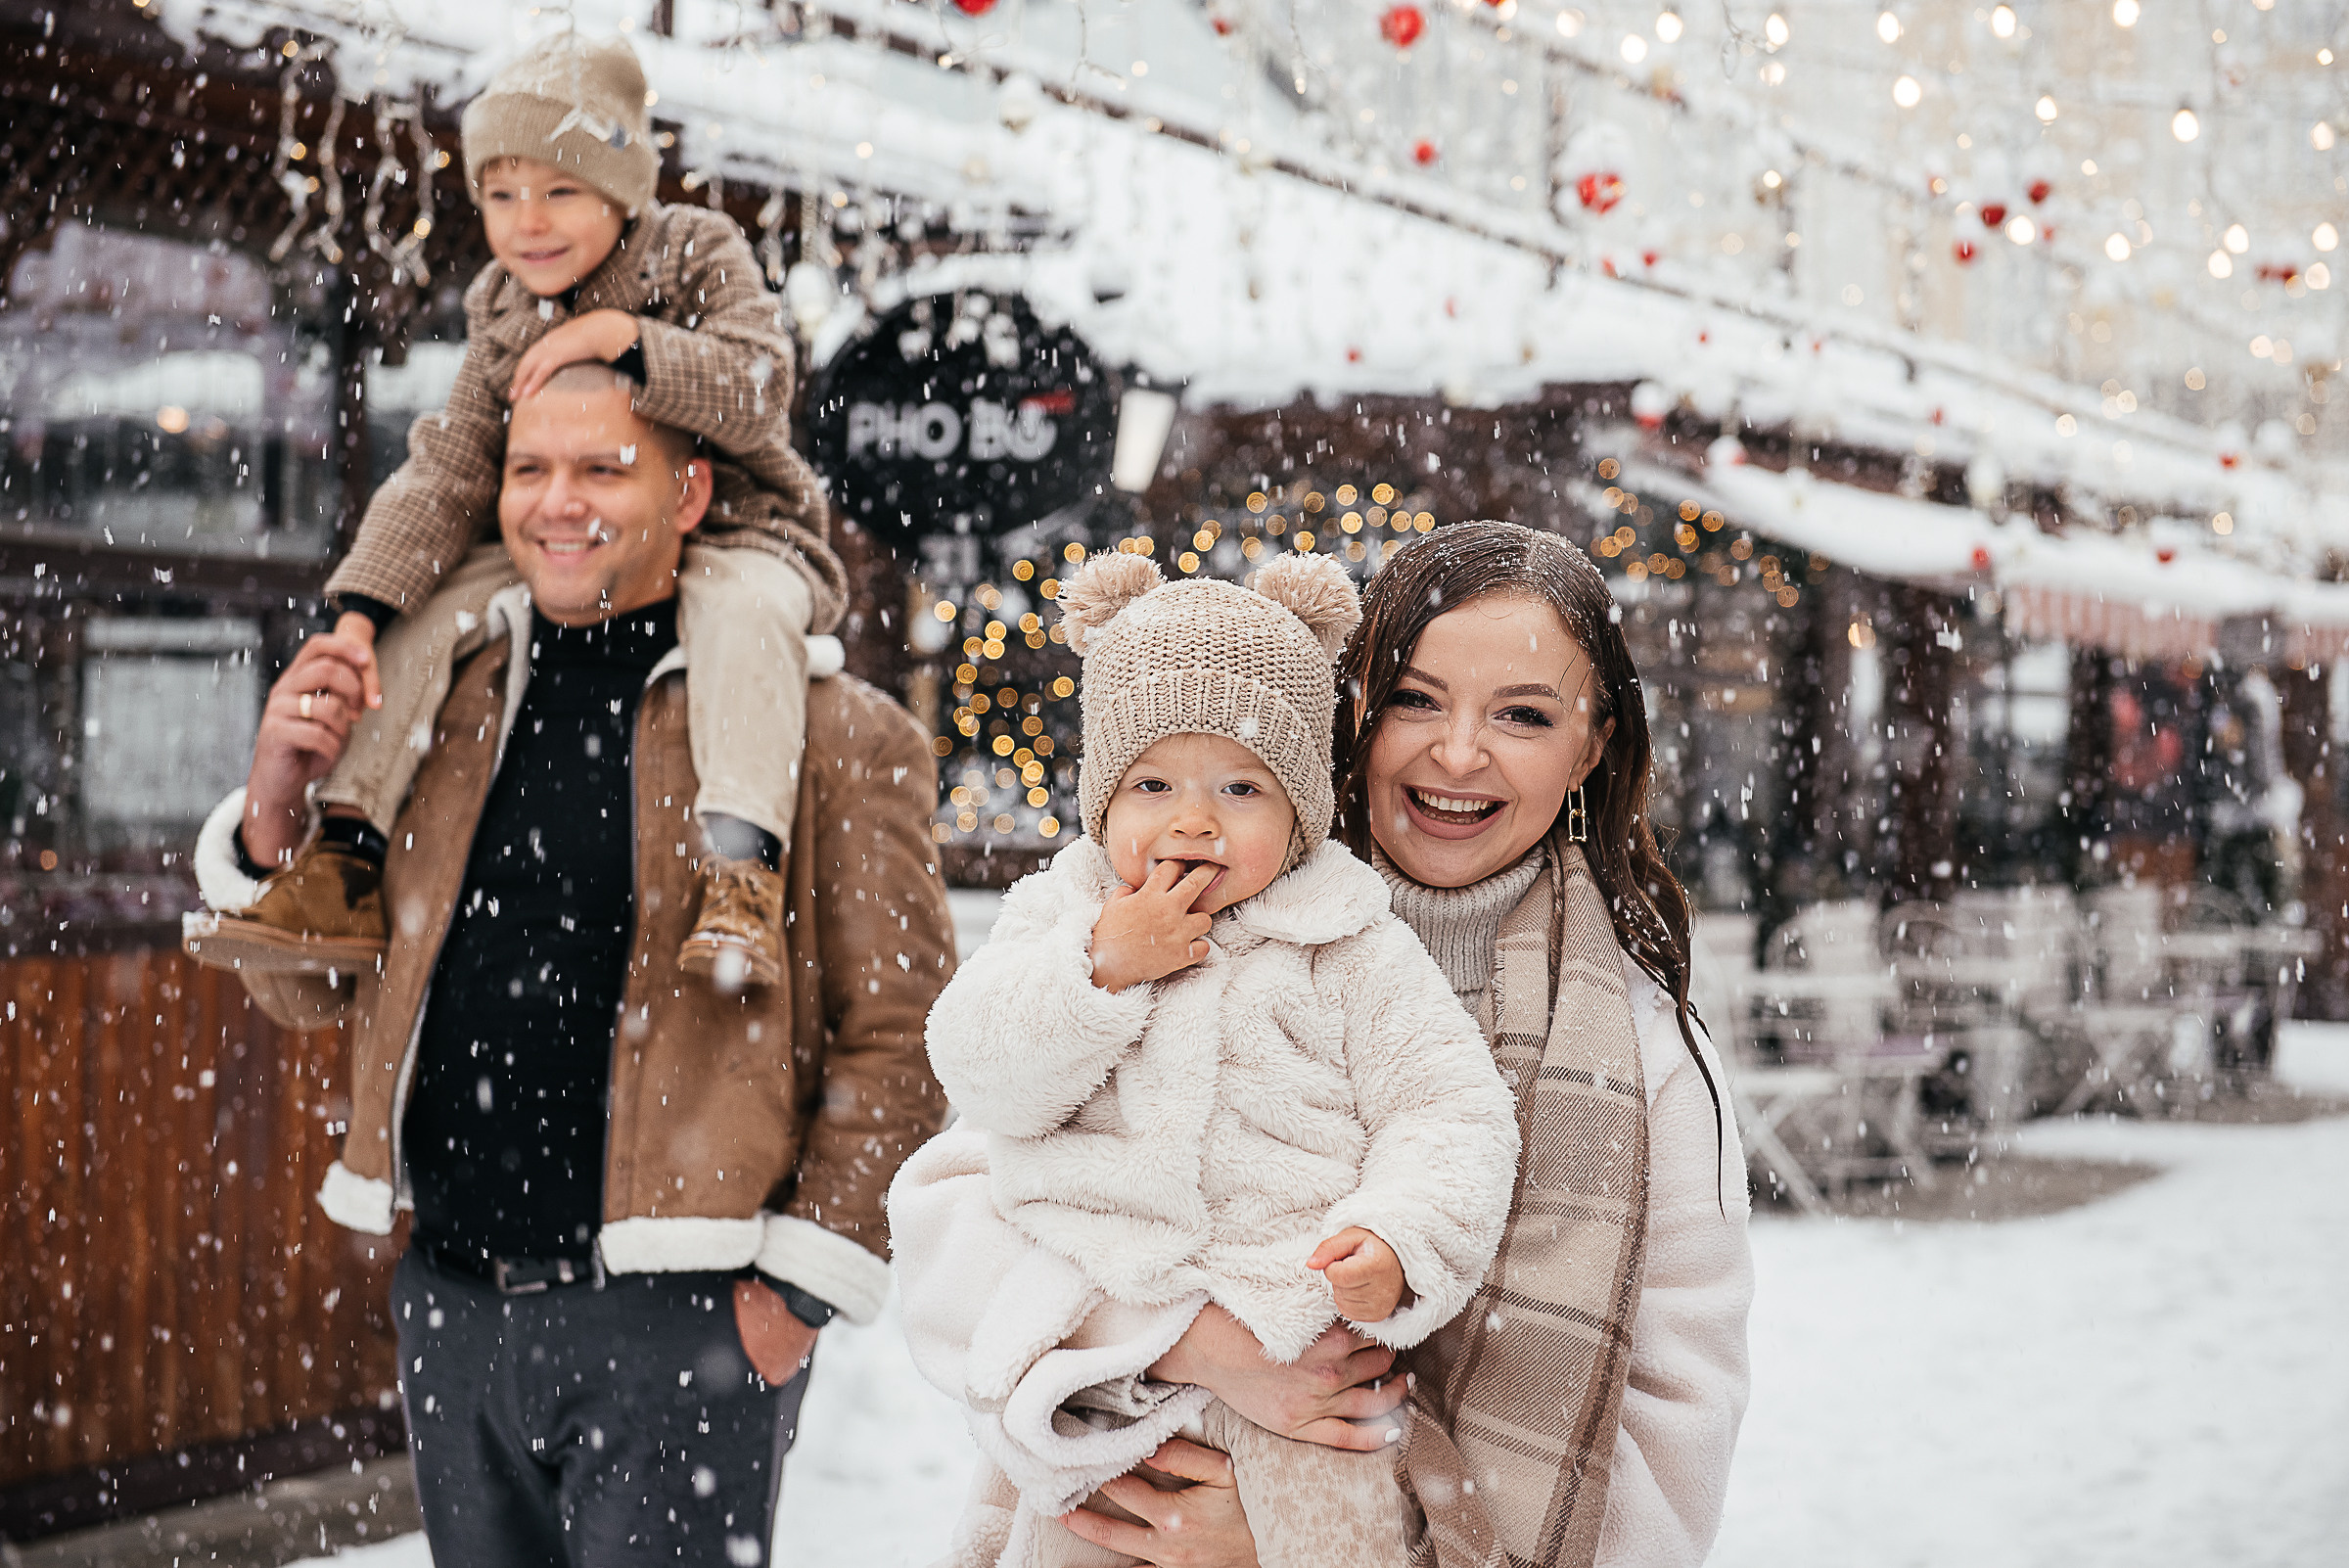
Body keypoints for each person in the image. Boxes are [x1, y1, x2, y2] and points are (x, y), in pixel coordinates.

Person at [186, 363, 954, 1568]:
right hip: (454, 1304)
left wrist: (790, 1297)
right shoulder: (444, 701)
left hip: (682, 1321)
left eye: (604, 467)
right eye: (530, 469)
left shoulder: (832, 732)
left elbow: (902, 1033)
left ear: (692, 491)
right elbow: (311, 989)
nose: (558, 501)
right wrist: (277, 801)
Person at [892, 521, 1752, 1568]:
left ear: (1594, 744)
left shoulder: (1643, 1059)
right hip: (1120, 1494)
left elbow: (1667, 1447)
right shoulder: (1160, 930)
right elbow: (952, 1220)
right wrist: (1198, 1342)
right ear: (1350, 711)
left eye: (1522, 715)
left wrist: (1306, 1541)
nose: (1459, 752)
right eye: (1414, 700)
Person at [186, 31, 843, 989]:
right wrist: (359, 615)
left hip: (739, 523)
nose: (526, 221)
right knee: (423, 621)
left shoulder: (695, 250)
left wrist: (631, 341)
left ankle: (739, 868)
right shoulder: (500, 303)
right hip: (549, 541)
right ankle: (348, 849)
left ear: (621, 188)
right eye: (501, 195)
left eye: (559, 190)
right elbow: (448, 471)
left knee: (746, 616)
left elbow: (759, 382)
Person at [903, 551, 1520, 1566]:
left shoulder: (1350, 943)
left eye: (1240, 785)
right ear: (1104, 802)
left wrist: (1401, 1238)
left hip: (1301, 1371)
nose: (1192, 820)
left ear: (1300, 811)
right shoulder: (1064, 919)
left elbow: (1449, 1112)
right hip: (1101, 1390)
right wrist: (1095, 972)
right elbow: (978, 1070)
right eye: (1153, 783)